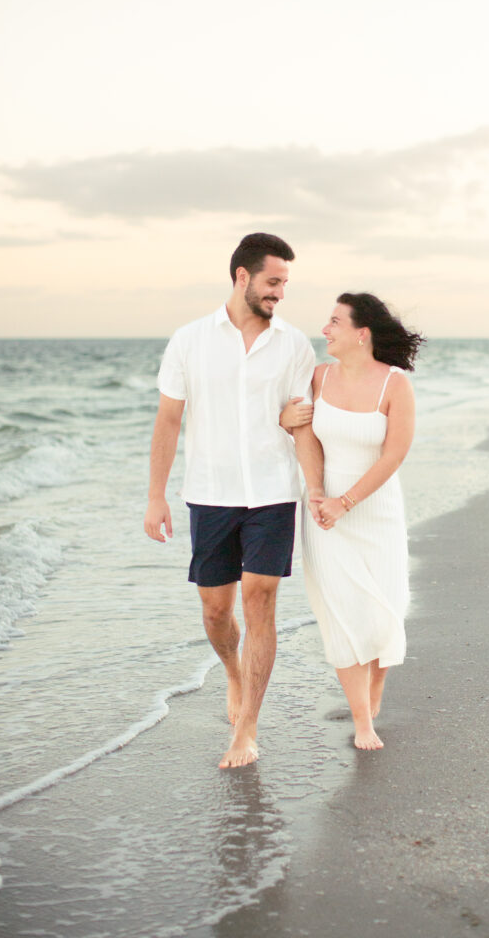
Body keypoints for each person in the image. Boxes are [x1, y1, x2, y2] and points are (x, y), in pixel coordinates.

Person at [144, 233, 323, 769]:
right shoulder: (190, 341)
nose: (280, 294)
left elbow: (302, 422)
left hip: (272, 492)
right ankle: (231, 671)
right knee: (216, 609)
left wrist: (315, 490)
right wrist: (156, 496)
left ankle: (247, 728)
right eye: (273, 282)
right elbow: (169, 419)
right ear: (241, 277)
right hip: (211, 494)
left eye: (285, 284)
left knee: (261, 598)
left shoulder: (294, 344)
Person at [281, 293, 423, 751]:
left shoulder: (394, 385)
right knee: (342, 613)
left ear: (362, 334)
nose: (325, 329)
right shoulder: (318, 378)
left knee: (387, 607)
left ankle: (375, 684)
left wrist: (347, 500)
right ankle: (363, 722)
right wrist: (319, 493)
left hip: (375, 508)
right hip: (324, 513)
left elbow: (395, 454)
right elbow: (304, 435)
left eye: (335, 322)